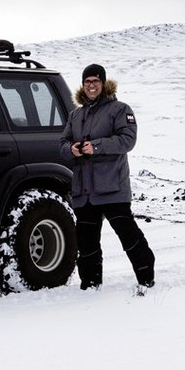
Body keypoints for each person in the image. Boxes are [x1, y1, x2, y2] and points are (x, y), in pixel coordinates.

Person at [60, 63, 156, 291]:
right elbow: (62, 144)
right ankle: (90, 284)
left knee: (128, 235)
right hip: (85, 190)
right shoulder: (76, 114)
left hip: (112, 187)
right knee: (86, 241)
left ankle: (146, 277)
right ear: (83, 85)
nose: (91, 85)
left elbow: (127, 140)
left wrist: (97, 146)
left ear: (103, 84)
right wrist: (71, 149)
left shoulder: (120, 109)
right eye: (87, 82)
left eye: (95, 81)